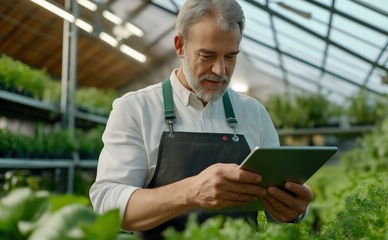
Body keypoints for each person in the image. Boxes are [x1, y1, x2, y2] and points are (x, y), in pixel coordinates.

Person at [89, 0, 313, 238]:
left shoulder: (254, 114)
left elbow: (276, 212)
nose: (220, 70)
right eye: (207, 55)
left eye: (231, 57)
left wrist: (293, 210)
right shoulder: (136, 109)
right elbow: (107, 206)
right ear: (180, 46)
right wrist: (191, 191)